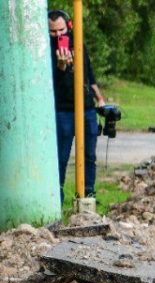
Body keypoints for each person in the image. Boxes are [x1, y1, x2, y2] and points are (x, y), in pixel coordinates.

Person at [49, 9, 106, 202]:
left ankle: (87, 193)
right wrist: (61, 66)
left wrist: (100, 100)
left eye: (61, 30)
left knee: (89, 154)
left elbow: (89, 74)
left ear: (69, 26)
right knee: (61, 157)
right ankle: (57, 197)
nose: (58, 35)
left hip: (86, 108)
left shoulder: (78, 42)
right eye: (53, 32)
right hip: (62, 110)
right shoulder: (44, 50)